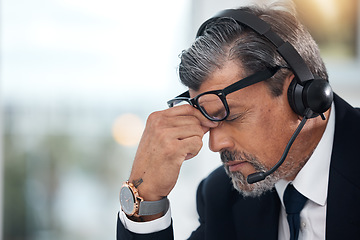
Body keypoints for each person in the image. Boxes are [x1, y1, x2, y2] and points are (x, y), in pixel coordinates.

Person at [117, 2, 360, 240]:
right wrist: (147, 196)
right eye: (208, 121)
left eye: (232, 116)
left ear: (302, 97)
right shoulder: (221, 197)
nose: (215, 144)